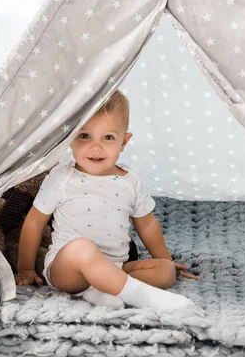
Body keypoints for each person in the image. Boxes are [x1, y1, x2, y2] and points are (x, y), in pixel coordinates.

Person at [15, 90, 198, 310]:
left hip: (116, 265)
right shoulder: (62, 178)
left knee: (165, 271)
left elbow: (146, 224)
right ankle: (140, 295)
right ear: (70, 139)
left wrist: (165, 258)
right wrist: (25, 269)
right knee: (82, 248)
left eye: (108, 137)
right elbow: (35, 222)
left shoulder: (130, 180)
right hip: (67, 270)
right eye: (84, 136)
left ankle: (102, 289)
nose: (96, 146)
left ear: (124, 142)